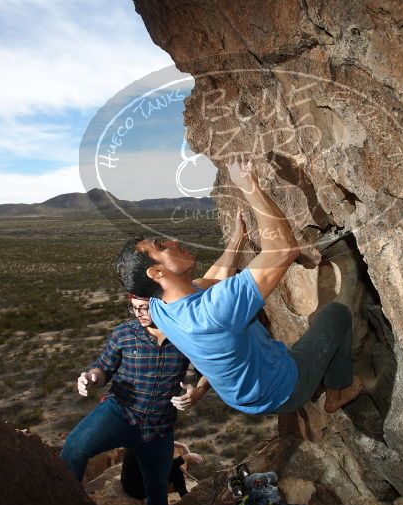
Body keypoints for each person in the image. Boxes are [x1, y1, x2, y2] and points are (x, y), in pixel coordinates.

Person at [114, 155, 362, 417]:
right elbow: (282, 250)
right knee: (337, 316)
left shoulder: (160, 307)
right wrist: (248, 184)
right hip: (283, 391)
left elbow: (207, 282)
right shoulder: (215, 311)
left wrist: (237, 241)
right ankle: (337, 392)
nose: (173, 242)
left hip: (244, 397)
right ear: (156, 272)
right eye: (161, 247)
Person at [59, 296, 209, 505]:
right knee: (74, 448)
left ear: (162, 304)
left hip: (159, 426)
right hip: (120, 413)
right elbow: (103, 368)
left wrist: (198, 393)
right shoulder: (124, 333)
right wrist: (90, 378)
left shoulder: (186, 335)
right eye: (134, 308)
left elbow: (208, 369)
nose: (138, 313)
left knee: (157, 488)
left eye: (145, 308)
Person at [121, 441, 204, 500]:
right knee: (174, 469)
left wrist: (182, 445)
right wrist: (185, 458)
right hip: (137, 489)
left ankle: (184, 495)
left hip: (133, 480)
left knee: (175, 469)